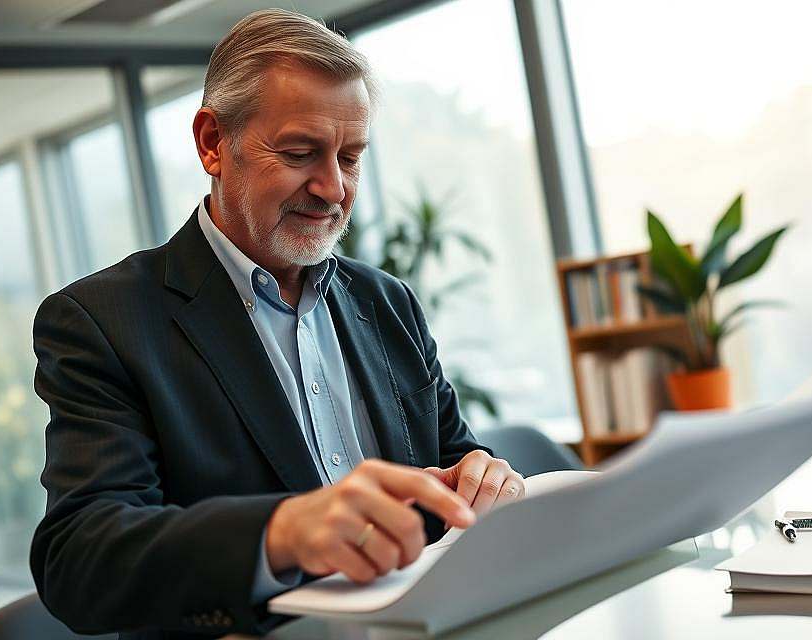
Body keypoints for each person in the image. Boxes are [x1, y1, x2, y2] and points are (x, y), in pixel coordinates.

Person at [30, 9, 525, 639]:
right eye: (299, 153)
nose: (333, 188)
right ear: (213, 142)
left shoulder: (386, 301)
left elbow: (453, 462)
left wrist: (483, 477)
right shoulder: (104, 322)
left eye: (350, 157)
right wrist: (283, 531)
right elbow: (79, 557)